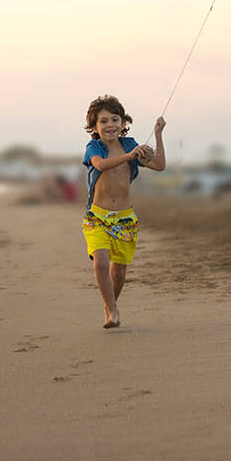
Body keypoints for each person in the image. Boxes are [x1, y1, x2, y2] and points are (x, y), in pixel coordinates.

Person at [82, 95, 166, 329]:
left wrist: (157, 134)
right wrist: (131, 156)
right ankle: (113, 310)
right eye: (104, 121)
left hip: (125, 219)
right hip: (97, 217)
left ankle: (111, 307)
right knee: (100, 263)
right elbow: (100, 165)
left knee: (118, 272)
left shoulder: (130, 144)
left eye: (115, 119)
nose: (110, 125)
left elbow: (159, 165)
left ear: (123, 122)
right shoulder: (94, 147)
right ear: (95, 127)